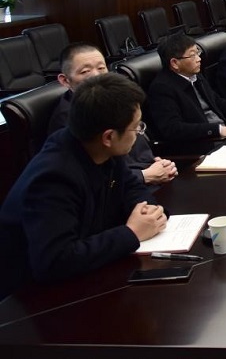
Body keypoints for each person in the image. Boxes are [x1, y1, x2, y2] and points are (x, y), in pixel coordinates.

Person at [0, 73, 168, 299]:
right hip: (33, 299)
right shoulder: (53, 178)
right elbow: (54, 261)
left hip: (90, 270)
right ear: (108, 137)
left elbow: (132, 188)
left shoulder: (102, 148)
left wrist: (149, 211)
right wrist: (131, 233)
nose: (139, 134)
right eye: (136, 128)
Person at [47, 43, 176, 186]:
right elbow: (91, 175)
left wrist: (158, 164)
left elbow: (139, 149)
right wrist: (144, 175)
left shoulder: (114, 100)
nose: (96, 75)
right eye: (85, 71)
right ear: (65, 80)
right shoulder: (69, 118)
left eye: (101, 68)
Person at [146, 33, 226, 144]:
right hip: (204, 143)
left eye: (198, 52)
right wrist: (216, 130)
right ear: (175, 63)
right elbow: (173, 129)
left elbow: (217, 102)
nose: (199, 59)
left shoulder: (195, 75)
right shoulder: (162, 88)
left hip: (224, 135)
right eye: (192, 55)